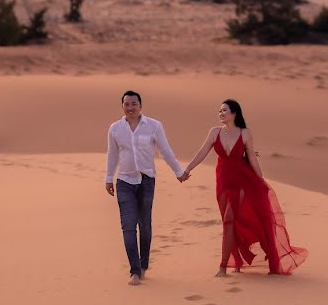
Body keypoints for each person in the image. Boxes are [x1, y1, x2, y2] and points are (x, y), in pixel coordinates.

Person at [183, 99, 307, 276]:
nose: (220, 113)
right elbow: (201, 152)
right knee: (230, 223)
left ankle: (222, 267)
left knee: (228, 221)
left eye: (224, 110)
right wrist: (187, 169)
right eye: (219, 111)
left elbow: (252, 157)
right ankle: (237, 261)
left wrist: (261, 180)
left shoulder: (245, 133)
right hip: (223, 181)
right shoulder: (214, 132)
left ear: (234, 113)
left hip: (242, 181)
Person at [105, 90, 189, 286]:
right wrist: (109, 178)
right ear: (122, 106)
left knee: (145, 225)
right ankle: (134, 271)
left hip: (146, 181)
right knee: (128, 227)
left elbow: (165, 150)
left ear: (140, 106)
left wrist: (178, 172)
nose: (130, 107)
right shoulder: (115, 129)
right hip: (124, 182)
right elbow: (112, 154)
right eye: (127, 104)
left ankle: (143, 265)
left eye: (134, 104)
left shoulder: (154, 126)